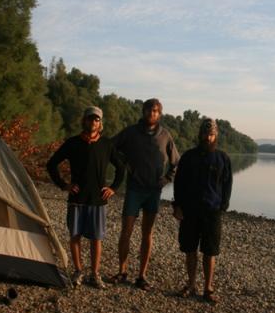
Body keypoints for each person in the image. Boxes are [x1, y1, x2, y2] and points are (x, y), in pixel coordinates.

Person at [47, 106, 125, 289]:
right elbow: (51, 164)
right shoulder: (73, 143)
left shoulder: (107, 145)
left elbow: (121, 168)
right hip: (77, 198)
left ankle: (95, 274)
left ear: (100, 123)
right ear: (84, 121)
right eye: (90, 119)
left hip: (98, 200)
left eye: (97, 120)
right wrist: (63, 184)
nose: (93, 122)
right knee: (75, 236)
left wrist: (113, 188)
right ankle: (78, 271)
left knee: (96, 238)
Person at [111, 98, 180, 290]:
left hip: (153, 191)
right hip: (134, 189)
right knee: (126, 231)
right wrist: (123, 163)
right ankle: (122, 271)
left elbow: (176, 162)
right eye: (149, 110)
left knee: (147, 233)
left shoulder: (165, 135)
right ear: (143, 111)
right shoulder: (131, 132)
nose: (152, 113)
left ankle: (142, 276)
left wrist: (166, 180)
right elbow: (110, 147)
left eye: (156, 111)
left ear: (160, 114)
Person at [173, 118, 232, 303]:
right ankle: (190, 285)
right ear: (200, 135)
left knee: (210, 251)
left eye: (212, 134)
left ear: (216, 136)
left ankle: (208, 288)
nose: (208, 137)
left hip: (212, 211)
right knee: (190, 249)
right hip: (190, 211)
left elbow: (227, 183)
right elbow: (179, 183)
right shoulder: (188, 157)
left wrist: (223, 205)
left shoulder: (223, 158)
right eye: (206, 133)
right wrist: (177, 206)